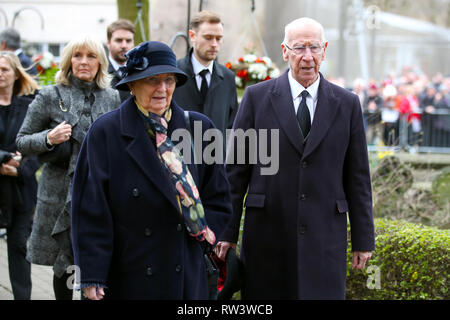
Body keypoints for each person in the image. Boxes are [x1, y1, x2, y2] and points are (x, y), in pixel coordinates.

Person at [215, 17, 375, 300]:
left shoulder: (347, 103)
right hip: (267, 236)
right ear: (285, 51)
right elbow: (235, 172)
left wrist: (363, 239)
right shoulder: (255, 98)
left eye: (314, 47)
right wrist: (225, 233)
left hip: (325, 239)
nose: (308, 57)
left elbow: (358, 177)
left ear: (324, 50)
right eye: (299, 48)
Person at [71, 41, 232, 300]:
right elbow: (90, 209)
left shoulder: (200, 128)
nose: (163, 88)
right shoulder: (106, 132)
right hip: (129, 271)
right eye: (152, 80)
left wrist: (202, 236)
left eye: (169, 79)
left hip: (186, 271)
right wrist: (92, 274)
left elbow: (220, 197)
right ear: (132, 85)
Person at [16, 35, 121, 300]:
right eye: (77, 55)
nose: (83, 61)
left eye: (91, 56)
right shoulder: (50, 95)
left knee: (94, 259)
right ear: (68, 60)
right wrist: (49, 138)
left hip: (98, 194)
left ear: (101, 62)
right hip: (58, 196)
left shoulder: (113, 98)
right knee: (63, 265)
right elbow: (22, 140)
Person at [0, 51, 40, 300]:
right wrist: (3, 160)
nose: (0, 74)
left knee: (18, 246)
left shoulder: (30, 104)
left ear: (16, 73)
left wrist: (20, 167)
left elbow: (39, 143)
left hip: (21, 186)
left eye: (4, 69)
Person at [173, 10, 238, 152]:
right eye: (208, 37)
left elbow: (232, 127)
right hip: (179, 164)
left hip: (216, 165)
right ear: (192, 36)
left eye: (218, 38)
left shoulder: (228, 78)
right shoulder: (173, 75)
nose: (214, 44)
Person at [106, 19, 135, 102]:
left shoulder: (140, 71)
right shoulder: (100, 72)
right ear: (108, 43)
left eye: (128, 41)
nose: (124, 45)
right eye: (119, 40)